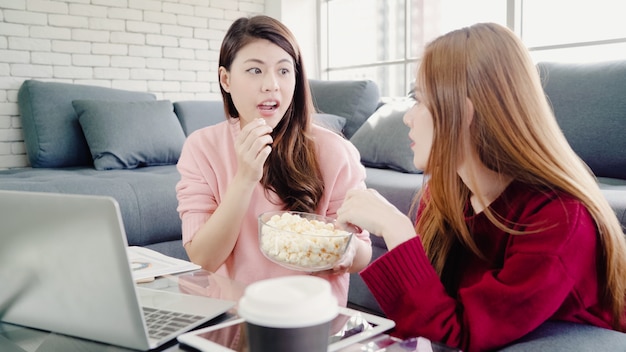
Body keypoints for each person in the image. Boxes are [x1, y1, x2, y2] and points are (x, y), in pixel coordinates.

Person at [336, 22, 626, 351]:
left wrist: (396, 228)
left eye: (420, 100)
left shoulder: (560, 222)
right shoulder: (448, 192)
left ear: (463, 112)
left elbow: (460, 336)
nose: (407, 117)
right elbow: (429, 312)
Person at [175, 15, 372, 307]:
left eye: (283, 71)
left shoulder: (333, 151)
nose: (271, 85)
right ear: (226, 79)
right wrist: (244, 178)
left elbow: (363, 254)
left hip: (311, 318)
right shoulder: (202, 148)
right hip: (234, 317)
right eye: (255, 70)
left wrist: (342, 250)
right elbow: (203, 258)